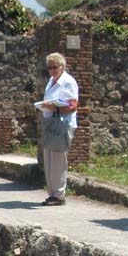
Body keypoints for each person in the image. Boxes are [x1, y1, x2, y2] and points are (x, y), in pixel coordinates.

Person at [39, 52, 79, 206]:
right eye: (50, 68)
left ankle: (59, 194)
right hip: (50, 122)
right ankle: (52, 193)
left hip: (62, 123)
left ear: (62, 67)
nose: (52, 70)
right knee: (48, 158)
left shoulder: (68, 82)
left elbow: (73, 106)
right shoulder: (51, 81)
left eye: (55, 67)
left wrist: (53, 108)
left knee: (58, 160)